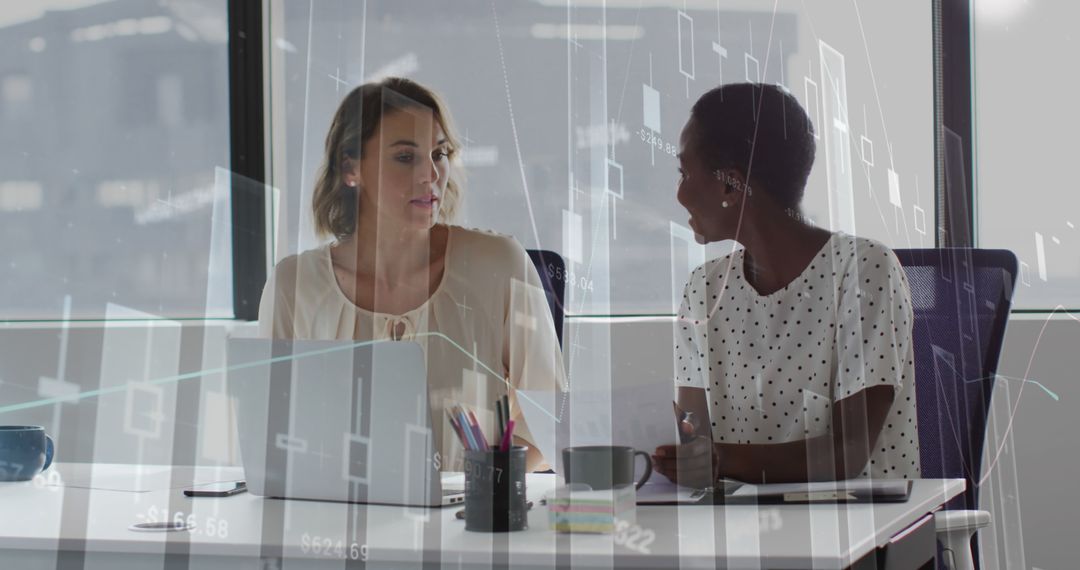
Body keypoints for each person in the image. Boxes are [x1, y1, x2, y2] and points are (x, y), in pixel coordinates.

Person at [258, 77, 565, 472]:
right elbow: (270, 435)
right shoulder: (293, 285)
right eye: (406, 157)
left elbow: (549, 423)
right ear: (351, 169)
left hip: (469, 520)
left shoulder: (500, 264)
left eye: (439, 154)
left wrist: (483, 485)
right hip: (337, 517)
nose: (431, 175)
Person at [652, 83, 919, 485]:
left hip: (858, 531)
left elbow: (849, 453)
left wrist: (719, 460)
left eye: (684, 172)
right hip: (742, 533)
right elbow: (695, 442)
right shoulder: (702, 290)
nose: (679, 192)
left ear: (730, 185)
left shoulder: (863, 271)